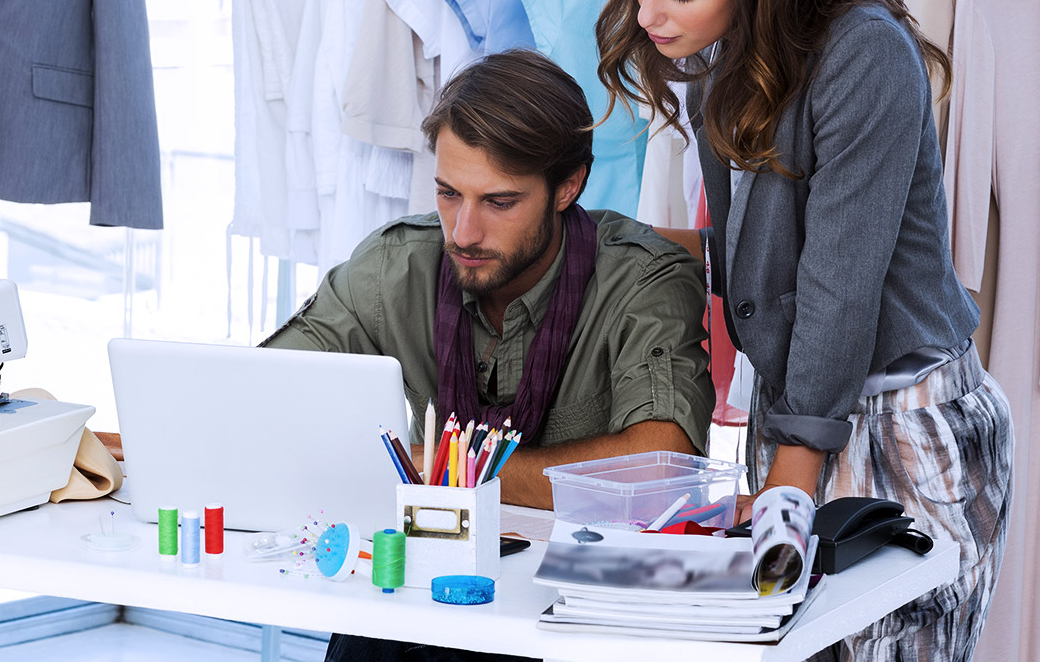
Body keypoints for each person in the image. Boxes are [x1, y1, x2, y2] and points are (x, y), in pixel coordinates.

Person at [594, 0, 1013, 662]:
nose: (647, 14)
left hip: (901, 429)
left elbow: (838, 287)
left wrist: (790, 476)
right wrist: (602, 252)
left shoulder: (864, 54)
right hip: (797, 414)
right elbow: (754, 261)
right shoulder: (730, 58)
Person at [264, 49, 715, 662]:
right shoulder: (396, 265)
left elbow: (660, 469)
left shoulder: (643, 279)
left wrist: (453, 475)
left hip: (577, 616)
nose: (463, 232)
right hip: (422, 605)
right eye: (449, 194)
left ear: (569, 186)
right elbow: (267, 391)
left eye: (499, 202)